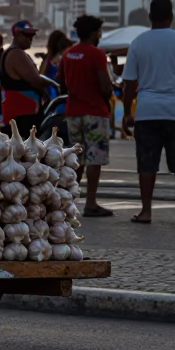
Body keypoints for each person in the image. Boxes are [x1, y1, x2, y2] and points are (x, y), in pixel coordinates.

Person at [122, 0, 175, 225]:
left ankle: (146, 212)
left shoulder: (139, 43)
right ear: (171, 16)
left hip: (147, 111)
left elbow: (130, 83)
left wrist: (126, 112)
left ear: (150, 17)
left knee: (147, 163)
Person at [59, 15, 113, 217]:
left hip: (73, 112)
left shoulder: (68, 54)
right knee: (94, 158)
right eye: (99, 31)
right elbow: (105, 87)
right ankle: (90, 203)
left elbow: (61, 83)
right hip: (94, 112)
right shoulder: (97, 54)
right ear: (93, 33)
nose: (100, 35)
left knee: (77, 159)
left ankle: (70, 201)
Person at [0, 21, 54, 135]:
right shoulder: (17, 54)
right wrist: (55, 85)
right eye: (27, 35)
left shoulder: (8, 53)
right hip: (23, 114)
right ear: (17, 35)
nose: (31, 39)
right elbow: (36, 80)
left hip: (15, 113)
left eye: (32, 35)